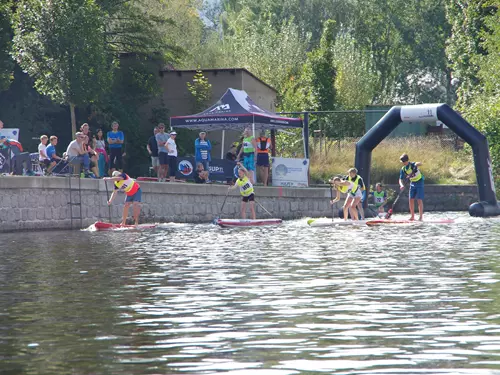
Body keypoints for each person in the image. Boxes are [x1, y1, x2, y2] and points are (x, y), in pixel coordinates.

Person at [399, 153, 424, 221]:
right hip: (412, 183)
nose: (403, 163)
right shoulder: (403, 169)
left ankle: (420, 217)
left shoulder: (412, 164)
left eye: (404, 161)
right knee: (411, 199)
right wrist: (401, 185)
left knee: (419, 199)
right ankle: (412, 216)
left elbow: (421, 163)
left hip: (419, 182)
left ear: (407, 160)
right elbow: (400, 179)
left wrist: (416, 164)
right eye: (402, 162)